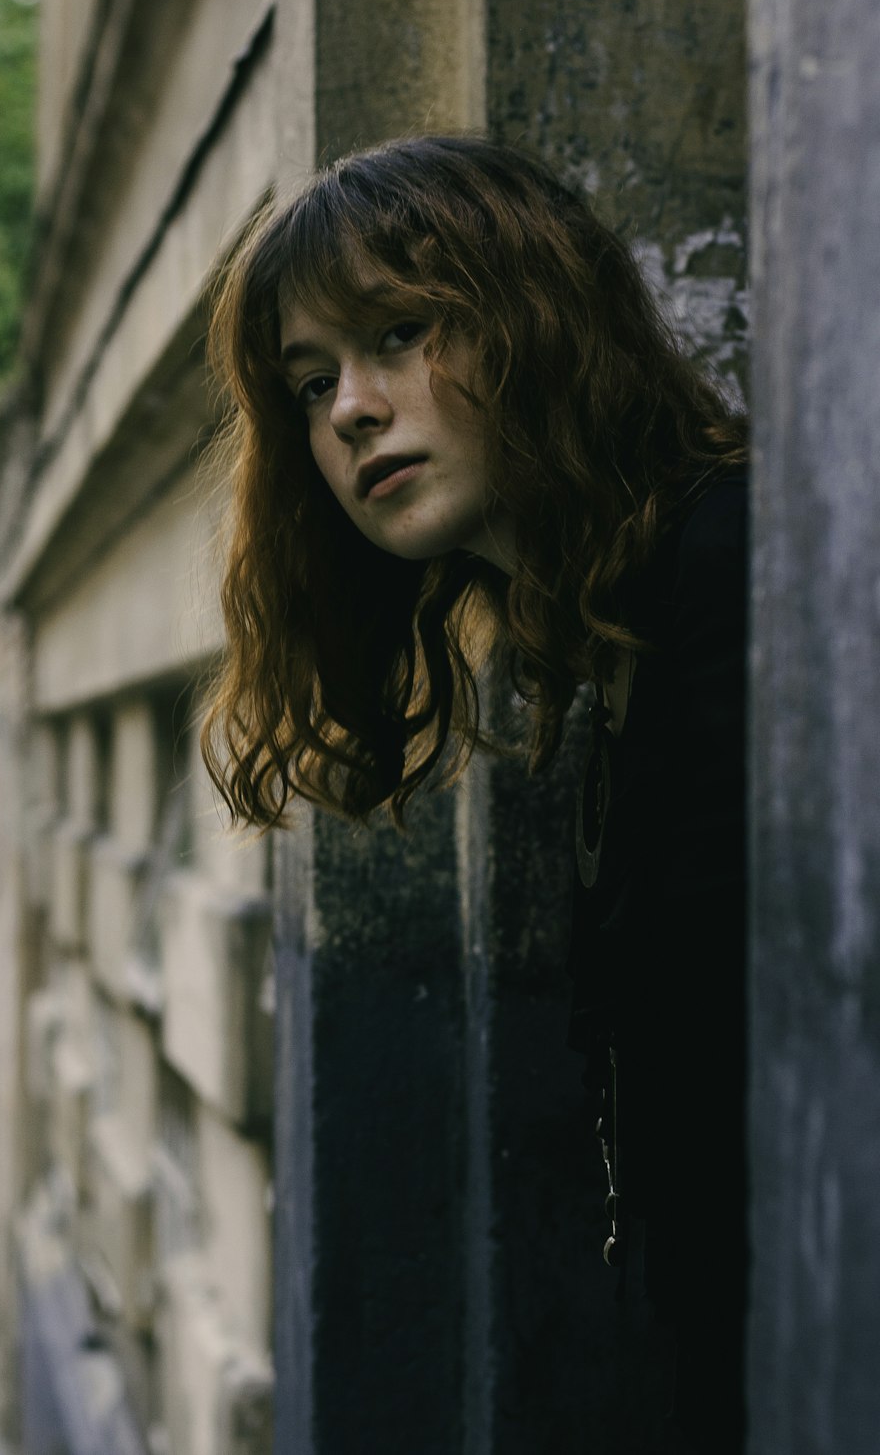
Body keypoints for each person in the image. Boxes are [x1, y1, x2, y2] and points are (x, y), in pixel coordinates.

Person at [201, 134, 748, 1453]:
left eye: (396, 334)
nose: (347, 410)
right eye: (312, 380)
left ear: (536, 319)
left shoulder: (738, 581)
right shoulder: (611, 645)